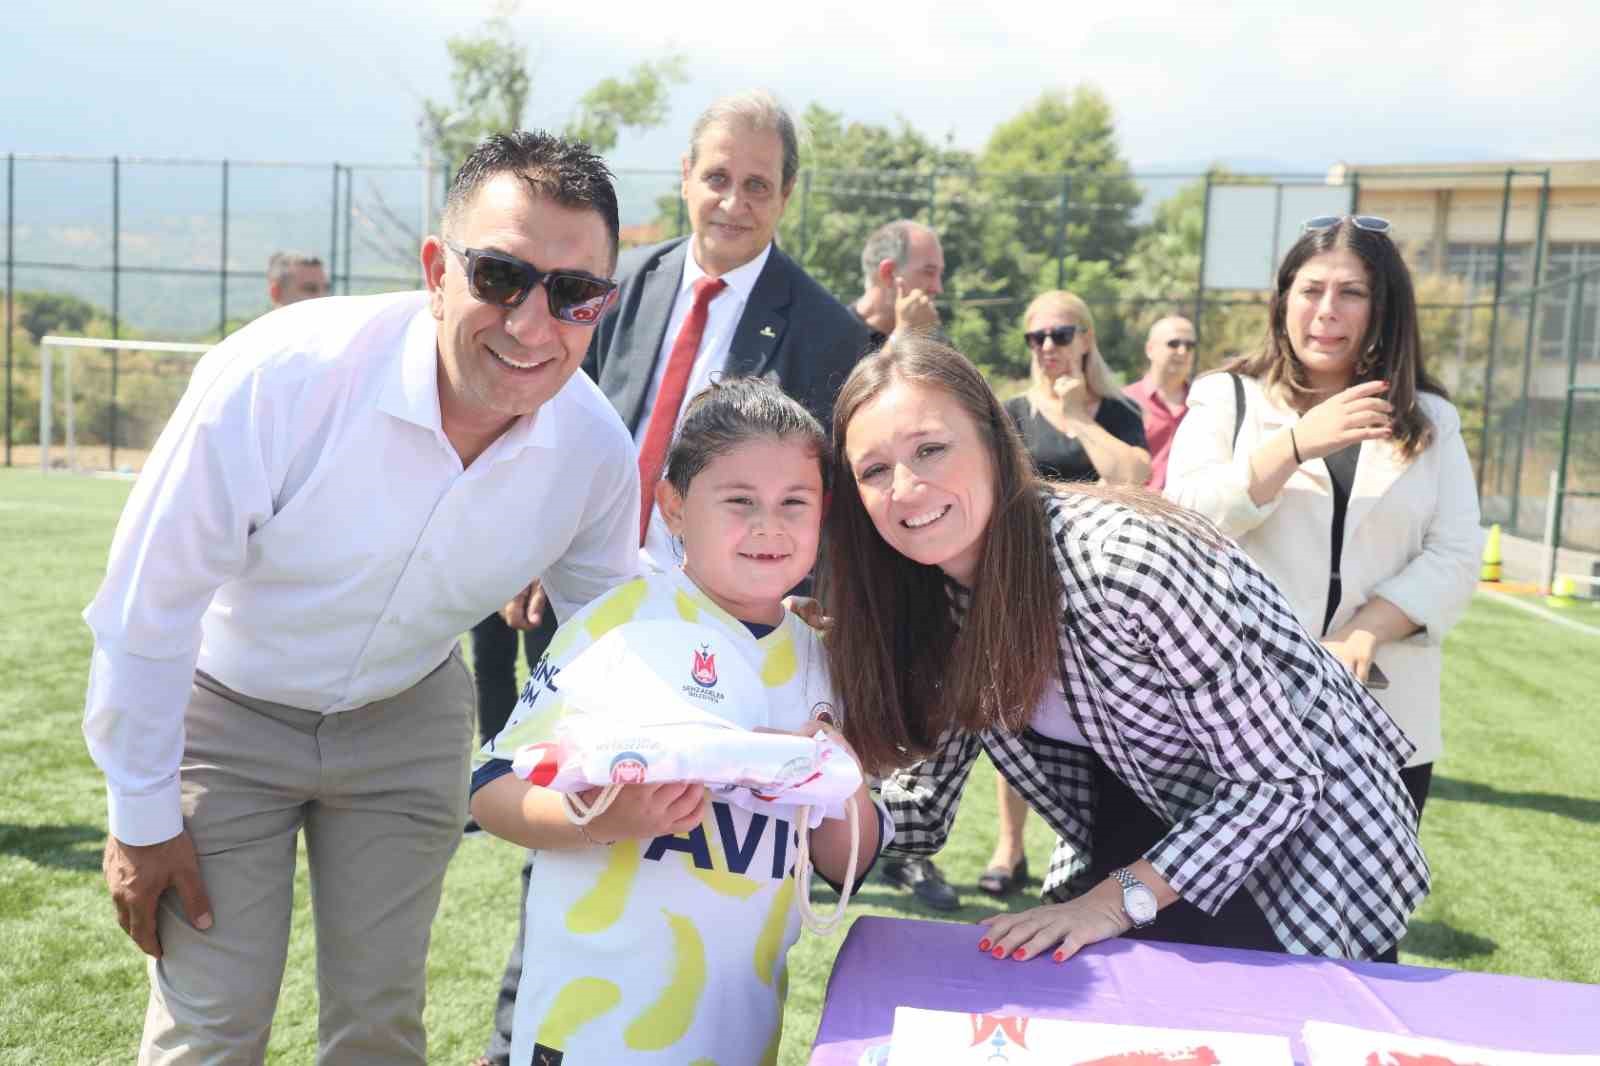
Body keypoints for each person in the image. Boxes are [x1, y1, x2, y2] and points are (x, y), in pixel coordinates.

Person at [82, 131, 640, 1065]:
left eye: (575, 294)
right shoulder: (278, 378)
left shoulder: (593, 449)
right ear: (436, 269)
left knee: (378, 1024)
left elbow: (614, 642)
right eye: (500, 275)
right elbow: (148, 606)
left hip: (409, 715)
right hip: (225, 713)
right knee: (214, 1024)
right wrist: (141, 817)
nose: (534, 325)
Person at [474, 90, 870, 1066]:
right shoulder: (621, 282)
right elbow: (550, 410)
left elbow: (813, 486)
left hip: (744, 620)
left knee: (704, 835)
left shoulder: (826, 332)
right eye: (717, 177)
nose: (733, 201)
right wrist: (533, 543)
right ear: (686, 179)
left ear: (785, 198)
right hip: (606, 602)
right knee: (574, 805)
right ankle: (525, 1037)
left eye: (758, 185)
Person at [822, 335, 1429, 963]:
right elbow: (916, 812)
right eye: (873, 471)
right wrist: (791, 788)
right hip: (1144, 840)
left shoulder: (1123, 564)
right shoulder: (935, 598)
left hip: (1302, 849)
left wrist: (1107, 903)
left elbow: (1278, 782)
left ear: (995, 445)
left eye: (931, 449)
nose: (905, 486)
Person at [470, 378, 885, 1065]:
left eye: (794, 503)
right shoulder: (617, 628)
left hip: (736, 1034)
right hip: (587, 1031)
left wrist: (840, 778)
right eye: (739, 501)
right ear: (672, 506)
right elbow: (491, 790)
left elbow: (850, 860)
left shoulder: (825, 663)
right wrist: (600, 818)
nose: (768, 526)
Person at [1165, 215, 1482, 819]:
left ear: (1382, 308)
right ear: (1284, 300)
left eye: (1351, 292)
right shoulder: (1225, 397)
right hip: (1239, 718)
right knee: (1227, 910)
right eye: (1311, 290)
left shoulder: (1433, 419)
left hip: (1386, 717)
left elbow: (1456, 555)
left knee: (1365, 910)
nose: (1327, 310)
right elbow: (1185, 522)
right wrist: (1293, 445)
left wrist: (1362, 634)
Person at [980, 290, 1150, 899]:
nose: (1048, 347)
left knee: (1101, 724)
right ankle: (1009, 845)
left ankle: (1081, 849)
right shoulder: (1012, 414)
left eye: (1061, 333)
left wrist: (1079, 419)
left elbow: (1134, 479)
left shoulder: (1118, 411)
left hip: (1106, 596)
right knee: (1019, 715)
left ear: (1087, 338)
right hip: (1028, 583)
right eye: (1036, 337)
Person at [1123, 313, 1197, 491]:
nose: (1182, 351)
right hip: (1138, 510)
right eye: (1173, 343)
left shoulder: (1205, 403)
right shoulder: (1123, 401)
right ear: (1150, 349)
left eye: (1190, 345)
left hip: (1192, 513)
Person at [852, 219, 945, 349]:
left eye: (940, 274)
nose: (938, 288)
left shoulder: (934, 342)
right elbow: (877, 369)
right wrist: (904, 333)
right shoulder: (833, 334)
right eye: (929, 272)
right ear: (888, 273)